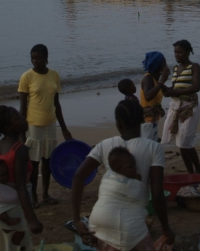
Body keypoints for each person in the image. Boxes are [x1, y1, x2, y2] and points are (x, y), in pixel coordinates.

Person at [71, 99, 175, 250]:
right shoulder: (153, 148)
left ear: (119, 124)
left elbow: (78, 177)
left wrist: (76, 220)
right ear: (141, 120)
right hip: (131, 227)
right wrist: (166, 228)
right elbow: (157, 194)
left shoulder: (104, 145)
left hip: (100, 221)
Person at [18, 44, 72, 208]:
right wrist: (21, 131)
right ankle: (33, 195)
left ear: (46, 58)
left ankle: (45, 194)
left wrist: (64, 128)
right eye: (33, 58)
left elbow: (57, 104)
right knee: (34, 163)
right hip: (33, 125)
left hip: (50, 123)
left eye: (39, 58)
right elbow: (22, 107)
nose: (35, 61)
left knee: (48, 160)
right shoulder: (26, 77)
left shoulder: (54, 75)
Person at [0, 105, 43, 248]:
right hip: (13, 204)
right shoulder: (19, 150)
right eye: (18, 118)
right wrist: (32, 219)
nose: (24, 119)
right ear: (8, 126)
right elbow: (20, 185)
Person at [162, 40, 200, 174]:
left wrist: (175, 92)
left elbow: (196, 87)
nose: (177, 55)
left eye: (180, 52)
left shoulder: (194, 67)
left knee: (185, 141)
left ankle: (198, 168)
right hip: (176, 107)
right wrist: (165, 87)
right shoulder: (175, 68)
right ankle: (190, 172)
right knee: (180, 143)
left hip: (189, 108)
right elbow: (175, 88)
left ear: (187, 52)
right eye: (175, 52)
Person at [140, 52, 170, 142]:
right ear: (158, 64)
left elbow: (168, 91)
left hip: (153, 120)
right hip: (147, 121)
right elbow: (148, 96)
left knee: (152, 146)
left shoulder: (155, 80)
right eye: (164, 62)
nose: (166, 64)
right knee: (147, 147)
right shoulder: (148, 78)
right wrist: (162, 81)